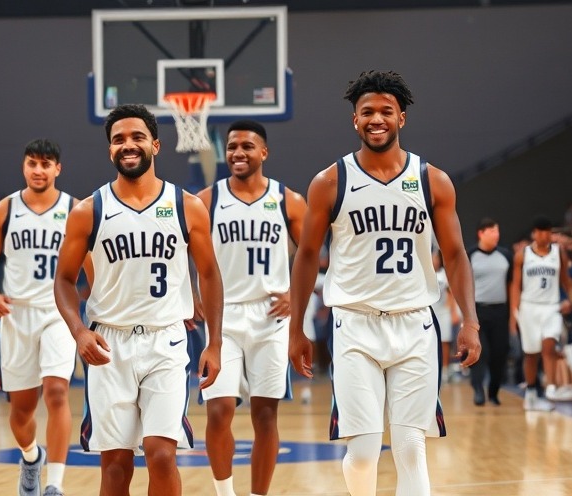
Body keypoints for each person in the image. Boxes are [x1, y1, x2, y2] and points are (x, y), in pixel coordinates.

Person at [288, 70, 481, 496]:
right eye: (368, 112)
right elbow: (307, 256)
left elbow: (455, 255)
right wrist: (296, 328)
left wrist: (470, 320)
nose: (377, 119)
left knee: (411, 448)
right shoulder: (330, 182)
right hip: (354, 325)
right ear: (355, 120)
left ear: (401, 118)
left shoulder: (432, 180)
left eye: (386, 111)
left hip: (415, 323)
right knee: (363, 453)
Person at [54, 103, 224, 496]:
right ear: (110, 150)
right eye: (119, 140)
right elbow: (63, 279)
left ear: (155, 145)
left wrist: (215, 342)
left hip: (166, 341)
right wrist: (79, 331)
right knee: (115, 466)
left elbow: (210, 274)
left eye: (137, 137)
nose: (128, 145)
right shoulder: (88, 210)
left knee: (162, 456)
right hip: (109, 344)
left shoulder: (186, 206)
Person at [194, 120, 306, 496]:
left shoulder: (288, 200)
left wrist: (295, 294)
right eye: (232, 147)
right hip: (222, 318)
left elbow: (314, 253)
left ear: (264, 152)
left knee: (265, 414)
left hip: (269, 318)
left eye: (246, 146)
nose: (238, 153)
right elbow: (181, 251)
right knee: (218, 410)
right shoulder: (207, 200)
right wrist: (188, 294)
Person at [0, 139, 80, 496]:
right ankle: (31, 456)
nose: (38, 170)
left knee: (57, 392)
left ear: (57, 169)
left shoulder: (75, 210)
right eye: (32, 163)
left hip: (58, 312)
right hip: (16, 314)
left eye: (46, 163)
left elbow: (92, 267)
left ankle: (55, 485)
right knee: (21, 412)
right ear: (24, 166)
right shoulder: (3, 210)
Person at [509, 216, 572, 410]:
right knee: (531, 354)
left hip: (551, 307)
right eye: (541, 231)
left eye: (547, 231)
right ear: (534, 233)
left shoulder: (558, 253)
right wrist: (513, 313)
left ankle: (551, 388)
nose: (544, 235)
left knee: (549, 346)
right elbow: (516, 285)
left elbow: (566, 281)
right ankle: (531, 394)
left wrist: (570, 300)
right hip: (529, 307)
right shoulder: (523, 254)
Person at [467, 218, 514, 406]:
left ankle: (494, 391)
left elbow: (511, 284)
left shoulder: (505, 255)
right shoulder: (470, 255)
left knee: (499, 353)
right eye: (492, 231)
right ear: (481, 233)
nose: (497, 235)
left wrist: (512, 313)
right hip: (478, 310)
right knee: (481, 351)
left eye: (498, 231)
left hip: (500, 310)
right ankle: (478, 388)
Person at [433, 251, 461, 383]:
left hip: (443, 311)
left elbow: (451, 294)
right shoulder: (424, 272)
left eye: (436, 258)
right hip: (430, 310)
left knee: (445, 341)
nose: (434, 260)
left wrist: (453, 312)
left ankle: (444, 369)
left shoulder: (444, 274)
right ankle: (433, 369)